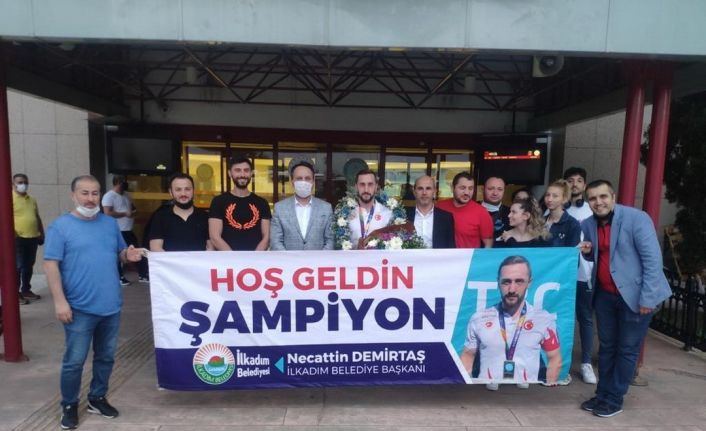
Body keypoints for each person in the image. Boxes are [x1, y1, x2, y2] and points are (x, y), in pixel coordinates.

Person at [43, 175, 145, 430]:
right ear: (73, 195)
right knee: (74, 361)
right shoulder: (60, 227)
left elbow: (120, 253)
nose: (90, 199)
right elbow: (51, 265)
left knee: (106, 357)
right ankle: (69, 404)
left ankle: (97, 398)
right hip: (78, 308)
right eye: (84, 193)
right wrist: (60, 302)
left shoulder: (109, 224)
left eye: (95, 193)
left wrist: (128, 254)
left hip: (110, 305)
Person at [578, 180, 672, 418]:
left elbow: (652, 261)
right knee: (607, 347)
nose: (598, 202)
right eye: (593, 198)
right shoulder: (588, 224)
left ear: (613, 197)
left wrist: (648, 298)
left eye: (603, 196)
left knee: (627, 349)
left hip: (636, 296)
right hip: (605, 296)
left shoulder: (636, 219)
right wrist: (588, 253)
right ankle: (602, 394)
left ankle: (614, 398)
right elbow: (598, 258)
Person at [459, 255, 562, 390]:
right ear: (498, 282)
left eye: (519, 281)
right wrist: (466, 391)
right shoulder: (479, 319)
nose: (512, 289)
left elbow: (555, 359)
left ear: (529, 282)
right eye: (506, 282)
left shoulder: (543, 319)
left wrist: (547, 392)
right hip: (487, 396)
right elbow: (468, 356)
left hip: (527, 398)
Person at [562, 167, 598, 384]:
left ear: (584, 185)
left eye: (578, 181)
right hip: (561, 275)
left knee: (585, 318)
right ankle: (561, 364)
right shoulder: (555, 208)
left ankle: (586, 363)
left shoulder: (591, 210)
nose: (574, 184)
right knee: (562, 319)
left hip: (584, 273)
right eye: (570, 180)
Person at [209, 156, 272, 251]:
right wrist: (234, 257)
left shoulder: (262, 203)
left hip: (256, 258)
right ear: (230, 173)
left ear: (251, 173)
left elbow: (266, 237)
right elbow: (215, 237)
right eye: (238, 170)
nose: (242, 174)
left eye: (246, 170)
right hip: (227, 259)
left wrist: (255, 257)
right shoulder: (218, 201)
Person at [270, 159, 334, 250]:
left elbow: (330, 240)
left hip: (318, 259)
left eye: (307, 178)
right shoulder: (280, 208)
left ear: (313, 181)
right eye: (299, 178)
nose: (303, 182)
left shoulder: (326, 208)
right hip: (288, 259)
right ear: (292, 181)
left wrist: (319, 259)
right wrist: (288, 259)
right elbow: (276, 241)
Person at [102, 175, 148, 284]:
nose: (126, 184)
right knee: (117, 254)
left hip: (128, 229)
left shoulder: (127, 195)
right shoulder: (109, 196)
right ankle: (119, 277)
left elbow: (132, 208)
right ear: (118, 182)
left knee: (137, 251)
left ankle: (142, 274)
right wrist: (124, 214)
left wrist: (133, 212)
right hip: (117, 230)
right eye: (124, 182)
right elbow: (107, 213)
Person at [149, 173, 212, 252]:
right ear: (171, 192)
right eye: (178, 190)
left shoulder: (205, 217)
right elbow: (155, 248)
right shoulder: (160, 217)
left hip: (199, 260)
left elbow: (211, 248)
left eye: (187, 189)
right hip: (170, 260)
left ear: (193, 190)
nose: (183, 194)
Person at [436, 172, 494, 248]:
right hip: (441, 255)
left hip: (469, 256)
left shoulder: (481, 212)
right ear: (452, 188)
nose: (467, 192)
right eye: (462, 188)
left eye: (470, 188)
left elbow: (488, 244)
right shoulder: (439, 207)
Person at [12, 173, 44, 303]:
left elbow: (37, 217)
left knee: (29, 265)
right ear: (13, 184)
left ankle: (26, 290)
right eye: (20, 182)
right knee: (18, 266)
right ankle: (15, 293)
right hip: (17, 238)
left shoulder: (32, 200)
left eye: (25, 182)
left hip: (32, 237)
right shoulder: (9, 199)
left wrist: (41, 232)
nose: (23, 185)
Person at [344, 169, 393, 248]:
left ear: (376, 187)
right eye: (362, 184)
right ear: (356, 187)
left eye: (370, 184)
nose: (366, 189)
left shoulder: (387, 214)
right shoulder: (345, 215)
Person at [405, 175, 455, 249]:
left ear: (434, 191)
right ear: (414, 192)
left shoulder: (446, 218)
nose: (424, 193)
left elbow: (451, 248)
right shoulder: (404, 216)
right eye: (420, 188)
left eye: (428, 188)